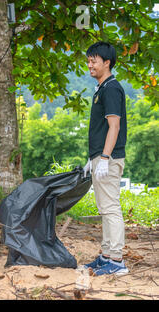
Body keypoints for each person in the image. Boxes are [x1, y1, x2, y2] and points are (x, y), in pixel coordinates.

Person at [82, 42, 128, 275]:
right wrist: (93, 158)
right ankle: (106, 256)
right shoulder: (101, 88)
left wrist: (105, 157)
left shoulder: (111, 88)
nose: (89, 64)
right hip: (100, 158)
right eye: (88, 60)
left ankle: (117, 262)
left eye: (94, 60)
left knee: (110, 208)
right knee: (104, 208)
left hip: (108, 158)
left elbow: (114, 125)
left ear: (107, 62)